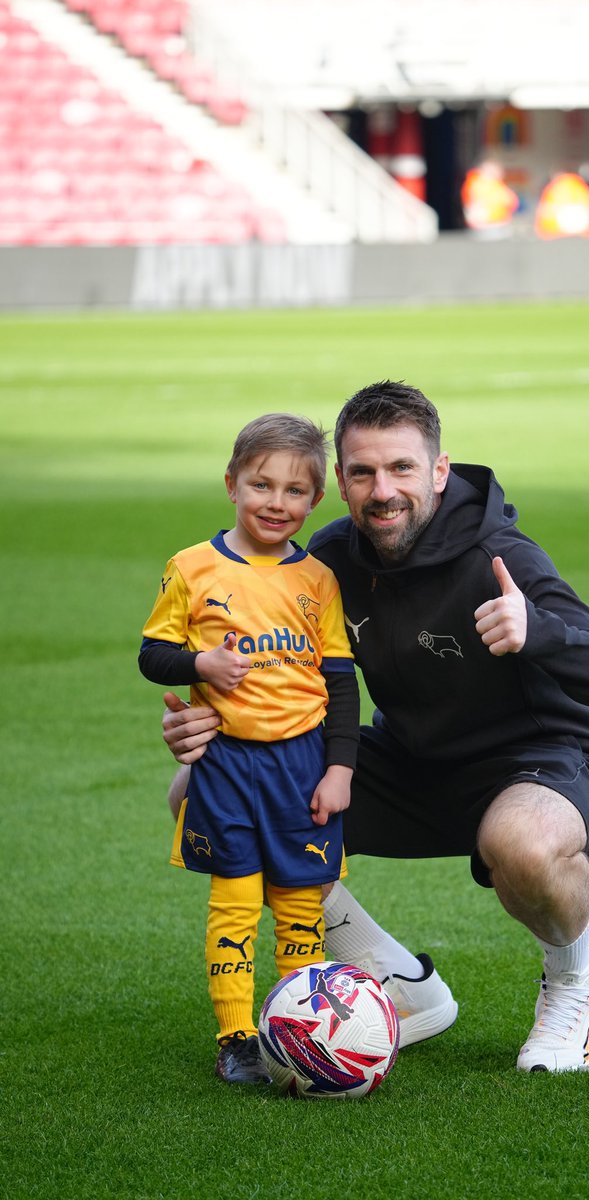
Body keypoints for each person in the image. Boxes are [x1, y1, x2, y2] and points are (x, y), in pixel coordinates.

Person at [162, 382, 589, 1074]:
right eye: (363, 472)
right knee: (201, 789)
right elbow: (270, 672)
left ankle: (571, 983)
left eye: (402, 468)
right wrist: (202, 728)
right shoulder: (326, 563)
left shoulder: (497, 556)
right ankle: (401, 983)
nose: (382, 490)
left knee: (525, 846)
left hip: (542, 766)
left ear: (439, 472)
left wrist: (538, 632)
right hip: (413, 764)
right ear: (342, 483)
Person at [140, 414, 360, 1084]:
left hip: (300, 765)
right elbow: (154, 655)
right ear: (232, 483)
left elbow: (342, 682)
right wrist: (202, 664)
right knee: (234, 903)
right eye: (261, 484)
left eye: (295, 491)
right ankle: (236, 1035)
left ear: (315, 501)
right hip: (228, 766)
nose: (276, 502)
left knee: (300, 906)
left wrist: (340, 770)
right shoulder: (192, 568)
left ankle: (303, 1027)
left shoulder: (317, 579)